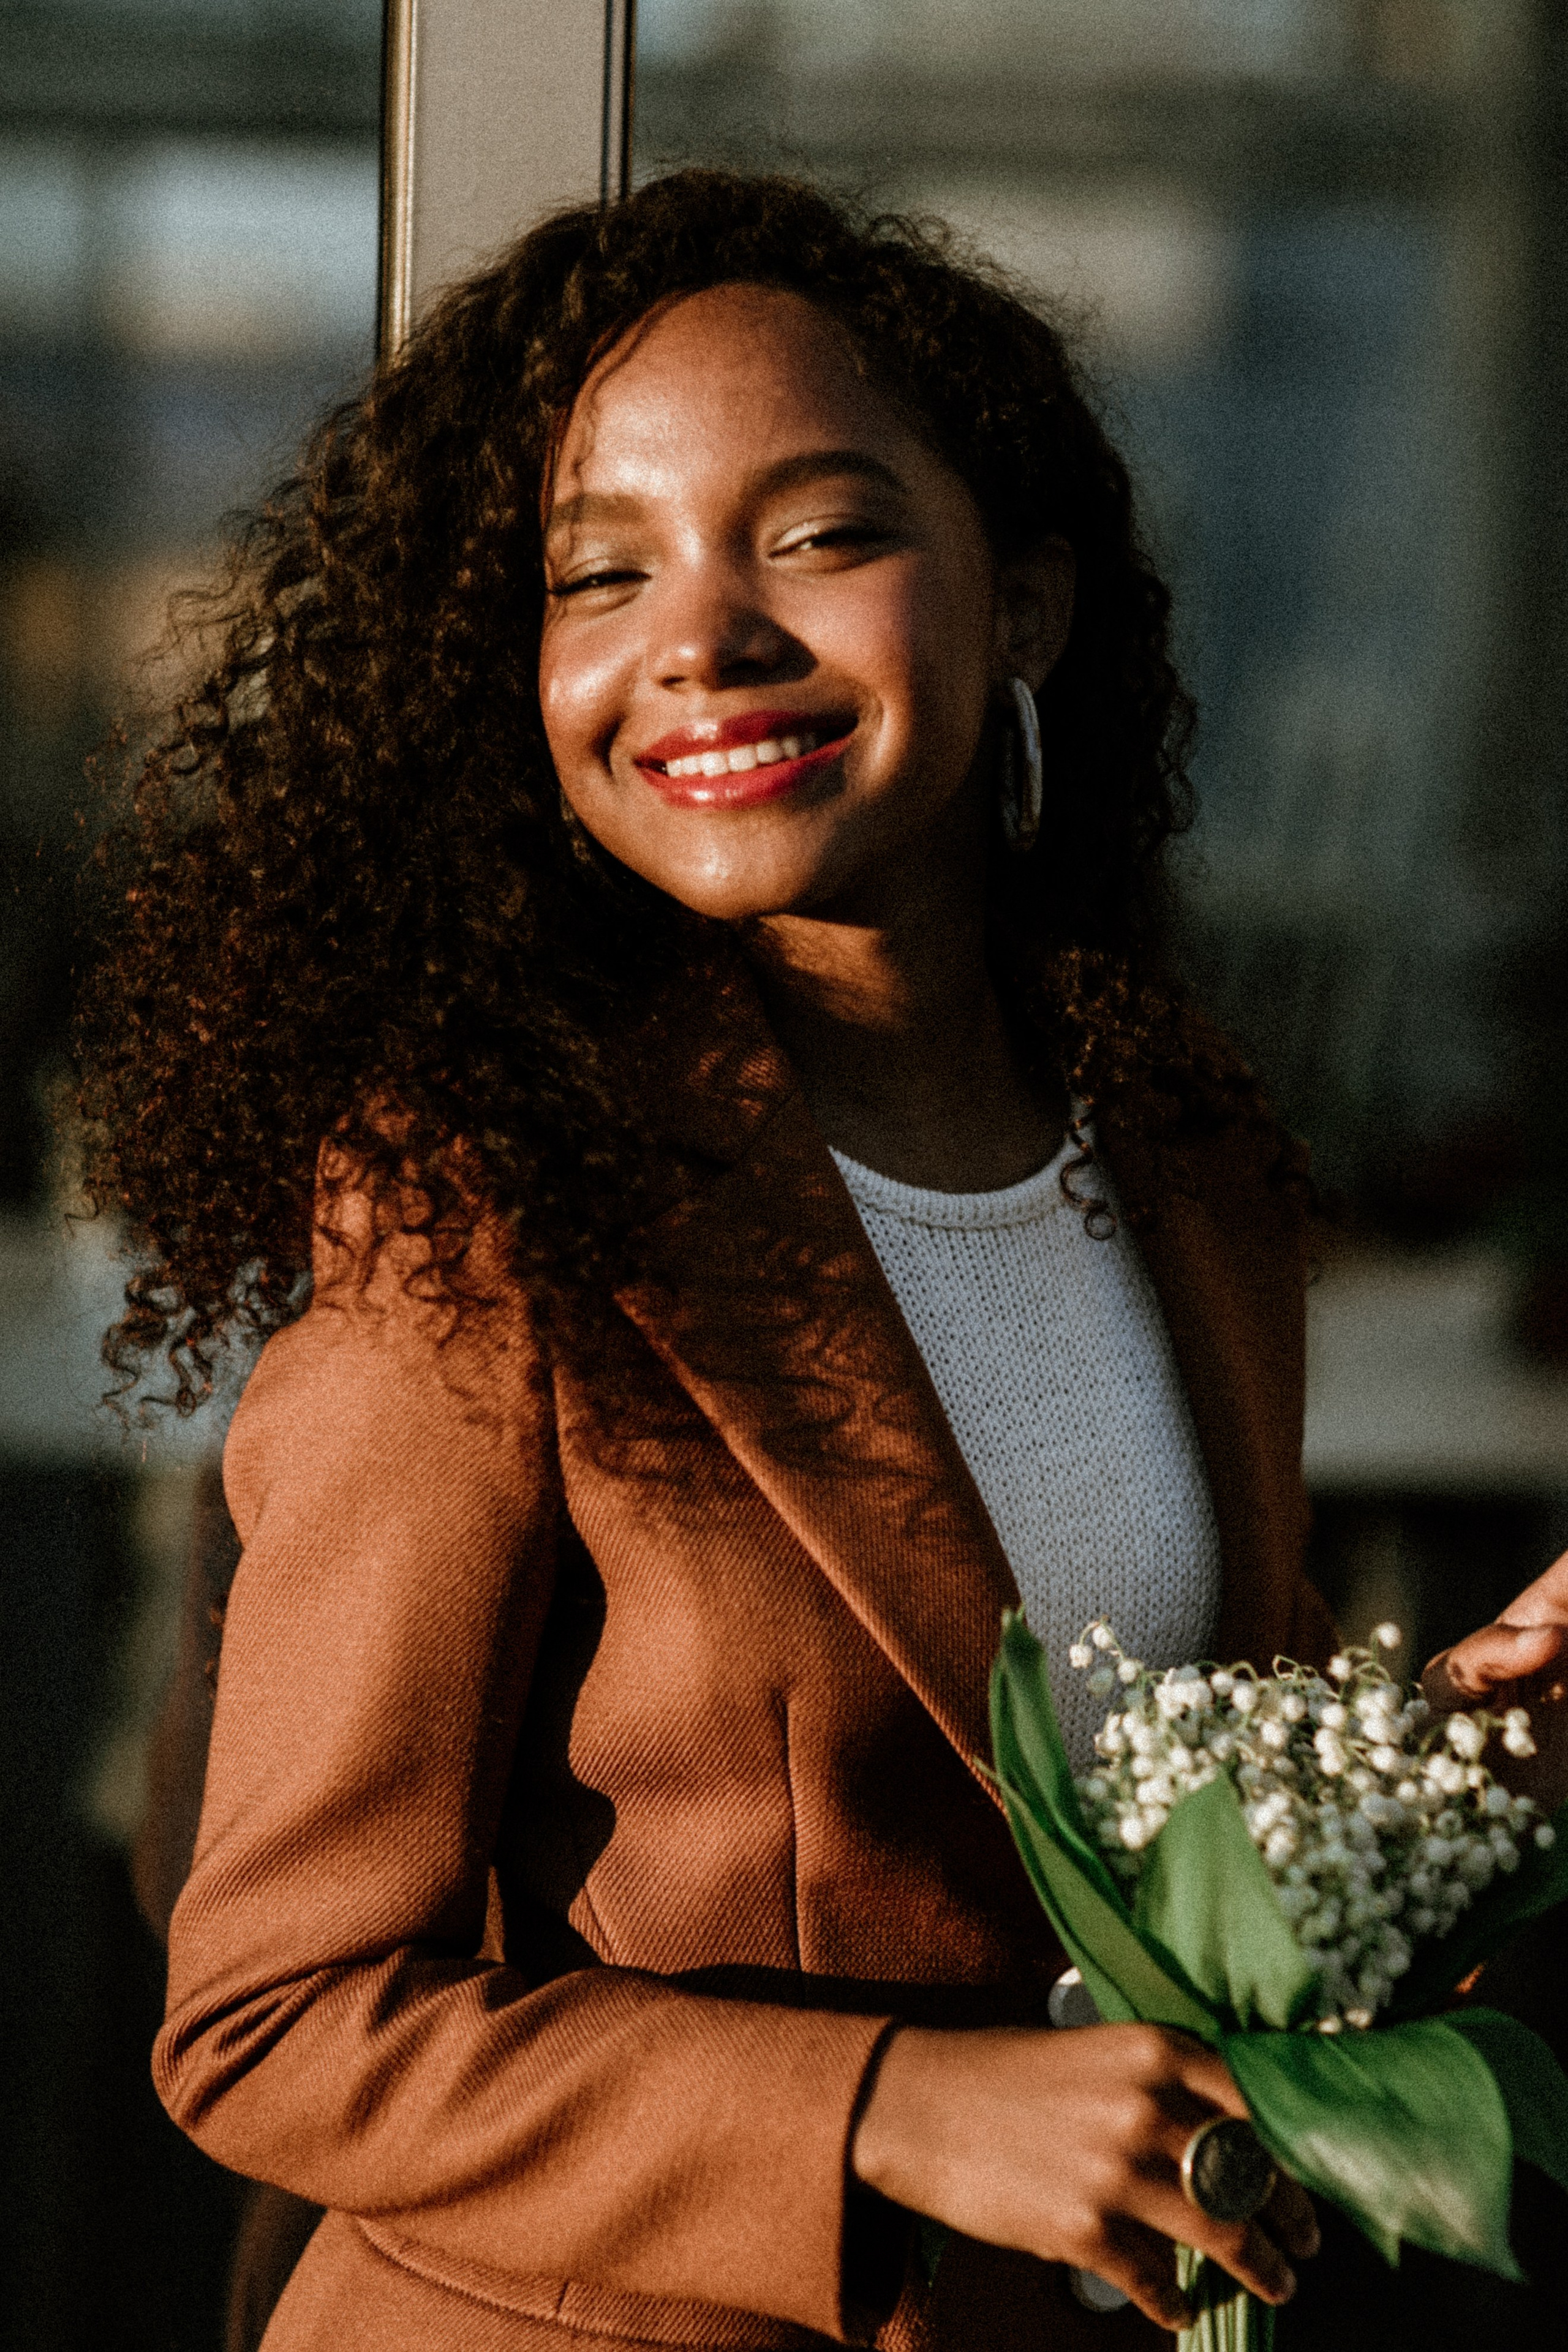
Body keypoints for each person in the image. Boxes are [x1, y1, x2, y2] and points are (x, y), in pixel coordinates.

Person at [77, 168, 1568, 2352]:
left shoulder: (1177, 1171)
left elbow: (1109, 1829)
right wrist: (880, 2111)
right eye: (603, 575)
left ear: (1026, 601)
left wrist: (1438, 1761)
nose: (700, 634)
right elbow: (274, 2017)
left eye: (818, 533)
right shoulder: (487, 1217)